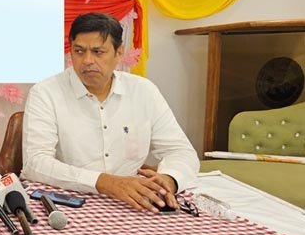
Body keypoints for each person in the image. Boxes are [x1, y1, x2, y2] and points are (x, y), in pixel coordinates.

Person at [22, 12, 199, 213]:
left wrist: (169, 179)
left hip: (133, 203)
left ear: (119, 52)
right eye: (79, 51)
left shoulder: (143, 91)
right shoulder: (46, 92)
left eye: (98, 52)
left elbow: (180, 151)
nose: (87, 60)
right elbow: (35, 163)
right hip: (68, 204)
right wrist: (105, 183)